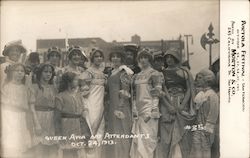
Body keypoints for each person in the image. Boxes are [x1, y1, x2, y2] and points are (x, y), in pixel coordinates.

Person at [156, 48, 195, 158]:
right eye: (167, 57)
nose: (169, 59)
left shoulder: (184, 72)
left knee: (183, 134)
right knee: (166, 134)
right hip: (166, 105)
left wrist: (183, 105)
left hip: (182, 102)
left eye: (171, 57)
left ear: (176, 58)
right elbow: (162, 91)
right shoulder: (161, 73)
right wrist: (169, 105)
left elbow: (189, 89)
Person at [1, 63, 41, 158]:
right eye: (17, 70)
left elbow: (32, 108)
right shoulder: (5, 88)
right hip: (9, 118)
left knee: (23, 147)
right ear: (11, 73)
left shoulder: (26, 89)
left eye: (22, 71)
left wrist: (36, 123)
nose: (19, 73)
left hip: (23, 118)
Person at [130, 49, 163, 158]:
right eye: (141, 58)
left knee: (149, 140)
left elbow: (156, 94)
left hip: (149, 109)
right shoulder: (136, 76)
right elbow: (134, 95)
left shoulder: (155, 74)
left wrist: (153, 109)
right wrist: (134, 108)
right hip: (138, 111)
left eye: (145, 57)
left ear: (150, 59)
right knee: (139, 140)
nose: (143, 60)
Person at [105, 46, 134, 158]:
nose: (115, 58)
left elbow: (125, 92)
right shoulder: (111, 72)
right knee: (114, 134)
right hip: (112, 106)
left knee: (122, 133)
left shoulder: (124, 71)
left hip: (121, 106)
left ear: (122, 58)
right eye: (113, 56)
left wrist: (120, 108)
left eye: (118, 56)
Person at [189, 69, 219, 158]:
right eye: (197, 78)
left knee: (206, 148)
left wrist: (208, 128)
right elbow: (196, 110)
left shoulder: (212, 95)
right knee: (196, 147)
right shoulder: (200, 94)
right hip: (198, 126)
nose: (198, 79)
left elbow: (213, 113)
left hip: (206, 127)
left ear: (207, 79)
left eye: (200, 78)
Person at [31, 63, 58, 158]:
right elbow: (32, 107)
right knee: (39, 145)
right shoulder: (34, 87)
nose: (48, 74)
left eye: (50, 72)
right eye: (45, 72)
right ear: (40, 73)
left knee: (51, 147)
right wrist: (36, 123)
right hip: (39, 117)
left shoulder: (53, 87)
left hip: (51, 118)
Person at [82, 49, 106, 158]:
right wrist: (85, 107)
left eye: (100, 56)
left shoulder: (102, 74)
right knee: (91, 131)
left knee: (99, 132)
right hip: (91, 105)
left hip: (100, 105)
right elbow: (83, 93)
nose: (99, 58)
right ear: (92, 58)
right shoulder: (88, 72)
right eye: (96, 56)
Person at [55, 72, 83, 158]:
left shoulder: (78, 95)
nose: (77, 81)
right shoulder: (60, 96)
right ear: (68, 82)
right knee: (67, 150)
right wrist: (59, 133)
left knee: (76, 150)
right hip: (66, 125)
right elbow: (57, 117)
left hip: (77, 125)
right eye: (75, 80)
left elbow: (81, 110)